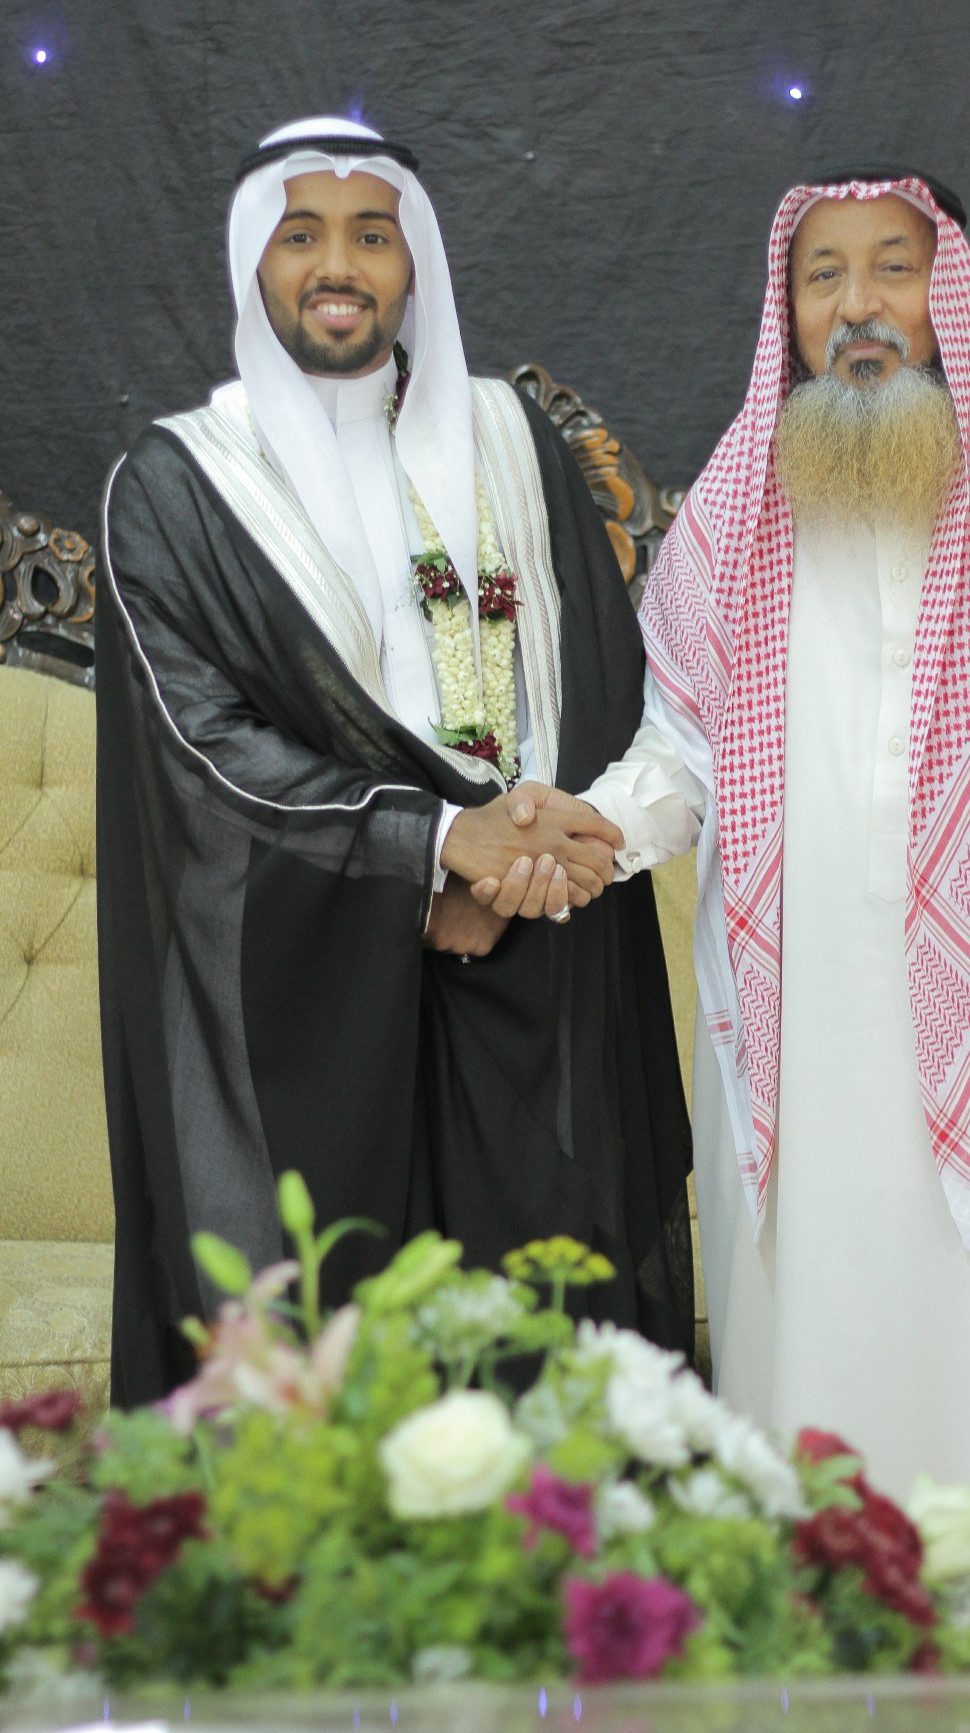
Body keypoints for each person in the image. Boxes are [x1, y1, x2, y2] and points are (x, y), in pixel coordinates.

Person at [504, 167, 970, 1498]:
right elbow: (680, 756)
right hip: (806, 1042)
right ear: (791, 308)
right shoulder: (738, 512)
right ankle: (829, 1635)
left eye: (895, 264)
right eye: (823, 274)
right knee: (823, 1382)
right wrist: (590, 829)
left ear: (953, 295)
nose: (859, 302)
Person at [96, 116, 692, 1407]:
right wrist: (429, 853)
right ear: (254, 262)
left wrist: (519, 874)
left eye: (372, 235)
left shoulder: (511, 441)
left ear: (413, 261)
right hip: (311, 985)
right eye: (300, 235)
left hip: (536, 959)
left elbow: (602, 686)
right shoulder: (181, 485)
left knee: (544, 1371)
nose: (338, 265)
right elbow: (202, 749)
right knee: (339, 1376)